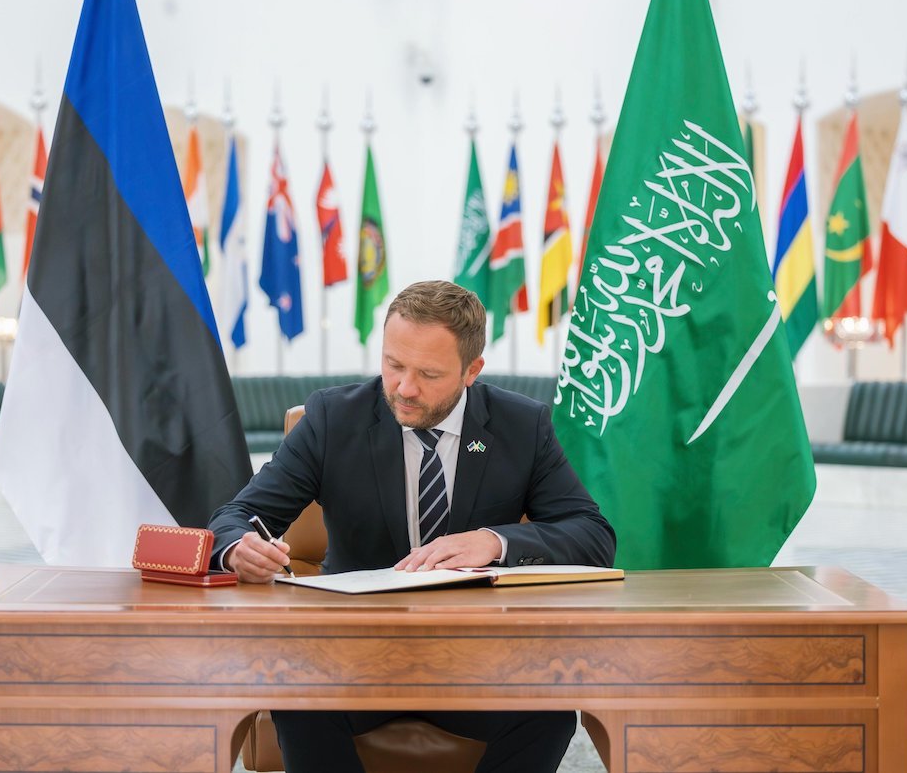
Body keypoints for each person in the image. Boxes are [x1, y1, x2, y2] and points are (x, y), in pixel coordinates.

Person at [208, 279, 616, 773]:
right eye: (394, 364)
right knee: (298, 695)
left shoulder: (521, 425)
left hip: (476, 657)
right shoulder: (332, 419)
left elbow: (593, 535)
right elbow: (234, 518)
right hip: (353, 655)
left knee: (548, 711)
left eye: (428, 373)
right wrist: (238, 549)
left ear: (472, 370)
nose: (404, 388)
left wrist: (494, 541)